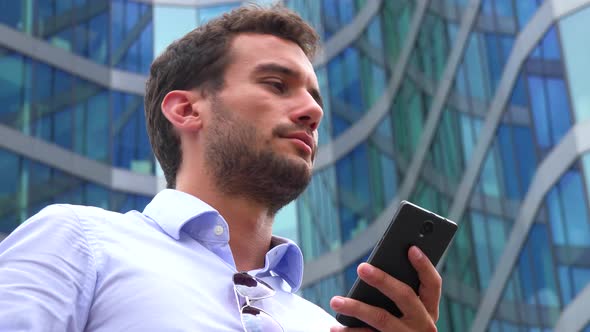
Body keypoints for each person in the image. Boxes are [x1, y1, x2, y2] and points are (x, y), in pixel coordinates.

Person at [0, 4, 442, 332]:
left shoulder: (322, 323)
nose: (312, 111)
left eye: (315, 97)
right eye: (276, 84)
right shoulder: (81, 242)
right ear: (187, 109)